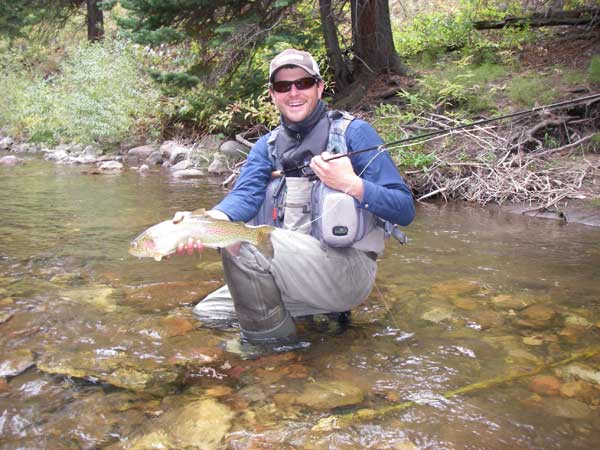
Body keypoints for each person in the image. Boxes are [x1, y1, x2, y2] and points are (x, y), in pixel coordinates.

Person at [173, 48, 415, 346]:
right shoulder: (267, 146)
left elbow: (404, 209)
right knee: (208, 314)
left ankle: (272, 349)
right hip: (291, 270)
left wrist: (351, 184)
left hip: (348, 269)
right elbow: (243, 198)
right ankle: (313, 317)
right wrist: (203, 223)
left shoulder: (355, 133)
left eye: (303, 83)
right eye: (283, 86)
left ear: (319, 87)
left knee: (244, 244)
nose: (293, 92)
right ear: (273, 95)